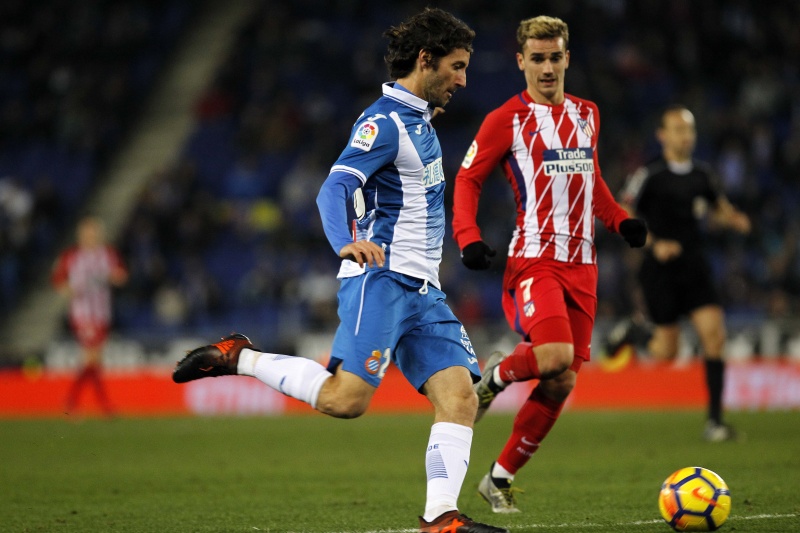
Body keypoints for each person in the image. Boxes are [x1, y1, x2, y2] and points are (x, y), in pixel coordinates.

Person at [172, 8, 507, 533]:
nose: (464, 80)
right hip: (383, 280)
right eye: (457, 66)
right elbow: (335, 187)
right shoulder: (384, 123)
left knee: (460, 397)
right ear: (426, 59)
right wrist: (345, 242)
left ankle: (440, 517)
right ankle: (242, 358)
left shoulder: (417, 119)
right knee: (346, 400)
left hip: (425, 289)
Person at [451, 15, 647, 514]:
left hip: (584, 266)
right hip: (534, 260)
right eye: (536, 58)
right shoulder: (506, 119)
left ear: (567, 58)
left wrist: (620, 220)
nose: (546, 68)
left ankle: (498, 478)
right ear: (521, 62)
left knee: (562, 380)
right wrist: (469, 238)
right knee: (555, 355)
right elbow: (468, 179)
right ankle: (496, 377)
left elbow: (592, 181)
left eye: (554, 57)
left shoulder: (588, 114)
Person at [604, 104, 751, 442]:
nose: (686, 136)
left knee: (714, 337)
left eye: (690, 129)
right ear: (662, 135)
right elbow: (624, 209)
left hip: (695, 265)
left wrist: (732, 219)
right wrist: (653, 243)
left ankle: (715, 422)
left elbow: (718, 208)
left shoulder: (703, 175)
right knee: (666, 351)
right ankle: (635, 333)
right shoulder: (650, 174)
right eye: (678, 129)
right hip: (660, 269)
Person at [52, 215, 128, 417]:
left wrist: (114, 277)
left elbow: (121, 275)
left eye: (94, 233)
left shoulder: (108, 254)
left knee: (94, 361)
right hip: (82, 314)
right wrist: (69, 290)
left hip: (102, 313)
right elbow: (58, 281)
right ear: (80, 235)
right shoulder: (71, 256)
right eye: (87, 233)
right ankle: (91, 404)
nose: (91, 237)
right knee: (91, 358)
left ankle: (82, 404)